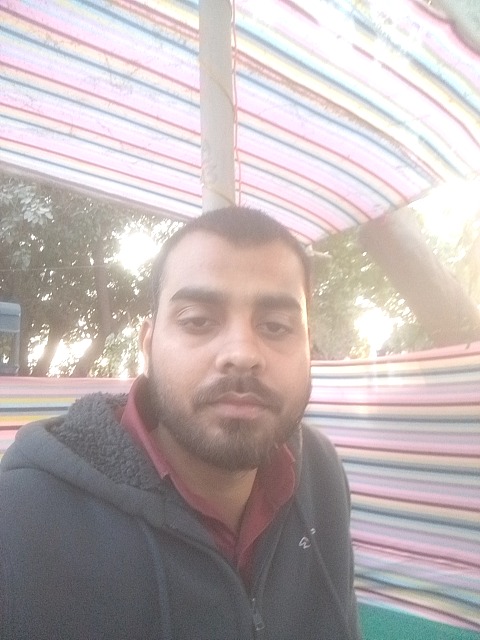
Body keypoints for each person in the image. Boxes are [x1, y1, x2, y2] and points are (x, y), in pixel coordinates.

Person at [0, 206, 361, 640]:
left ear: (308, 346)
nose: (242, 353)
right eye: (198, 321)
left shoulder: (320, 473)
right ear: (148, 345)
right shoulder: (20, 519)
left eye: (276, 326)